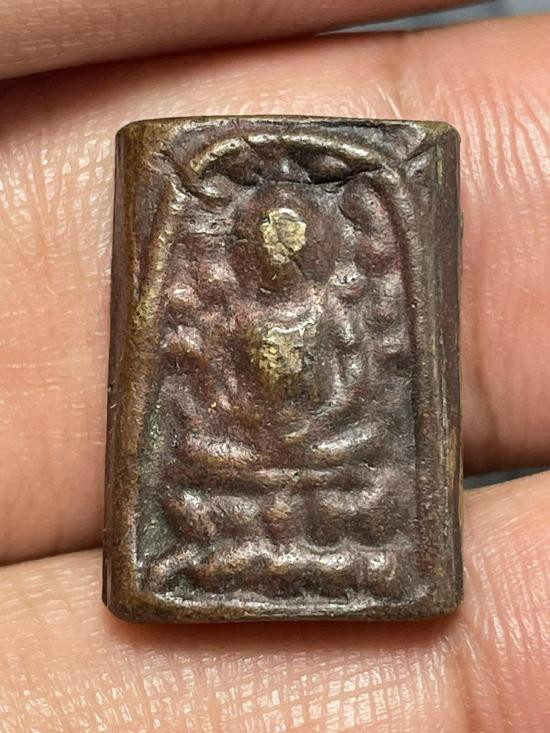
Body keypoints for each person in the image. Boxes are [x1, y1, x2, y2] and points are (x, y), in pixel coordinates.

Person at [0, 1, 548, 730]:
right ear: (244, 247)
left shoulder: (336, 309)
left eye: (293, 242)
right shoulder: (229, 310)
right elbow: (209, 391)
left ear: (319, 245)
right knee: (201, 461)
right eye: (265, 241)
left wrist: (323, 429)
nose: (279, 254)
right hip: (239, 455)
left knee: (362, 468)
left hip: (328, 453)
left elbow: (358, 388)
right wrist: (238, 421)